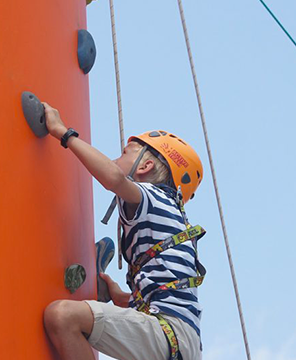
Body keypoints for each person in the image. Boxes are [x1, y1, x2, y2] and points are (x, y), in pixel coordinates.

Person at [42, 102, 206, 360]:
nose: (115, 160)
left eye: (124, 153)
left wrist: (63, 132)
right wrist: (122, 298)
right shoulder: (166, 214)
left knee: (63, 317)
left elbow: (114, 179)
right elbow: (165, 284)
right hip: (179, 341)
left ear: (145, 166)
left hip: (168, 332)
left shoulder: (154, 196)